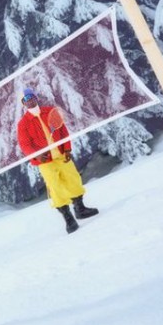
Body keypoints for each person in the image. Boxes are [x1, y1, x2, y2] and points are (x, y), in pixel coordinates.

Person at [17, 87, 99, 233]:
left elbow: (63, 131)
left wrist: (67, 149)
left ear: (36, 98)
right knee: (55, 187)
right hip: (45, 162)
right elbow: (25, 145)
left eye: (31, 97)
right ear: (23, 103)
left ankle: (80, 209)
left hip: (61, 155)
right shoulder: (23, 123)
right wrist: (37, 155)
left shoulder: (50, 111)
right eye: (26, 100)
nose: (29, 101)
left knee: (73, 179)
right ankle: (68, 218)